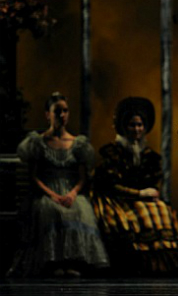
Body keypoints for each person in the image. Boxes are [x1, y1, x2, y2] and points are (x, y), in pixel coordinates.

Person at [7, 92, 109, 277]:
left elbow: (82, 177)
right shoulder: (38, 142)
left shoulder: (77, 143)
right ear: (48, 114)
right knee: (49, 210)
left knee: (80, 208)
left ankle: (72, 262)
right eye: (57, 111)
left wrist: (72, 194)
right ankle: (53, 263)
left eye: (65, 111)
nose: (61, 115)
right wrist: (52, 195)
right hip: (46, 191)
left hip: (70, 191)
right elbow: (34, 177)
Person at [92, 97, 178, 276]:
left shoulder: (148, 155)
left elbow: (152, 180)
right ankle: (138, 265)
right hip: (116, 199)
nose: (137, 129)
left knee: (162, 211)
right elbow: (109, 184)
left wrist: (148, 192)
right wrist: (139, 193)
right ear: (124, 126)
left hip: (141, 199)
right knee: (129, 219)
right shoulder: (112, 152)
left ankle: (166, 265)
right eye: (132, 125)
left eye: (140, 125)